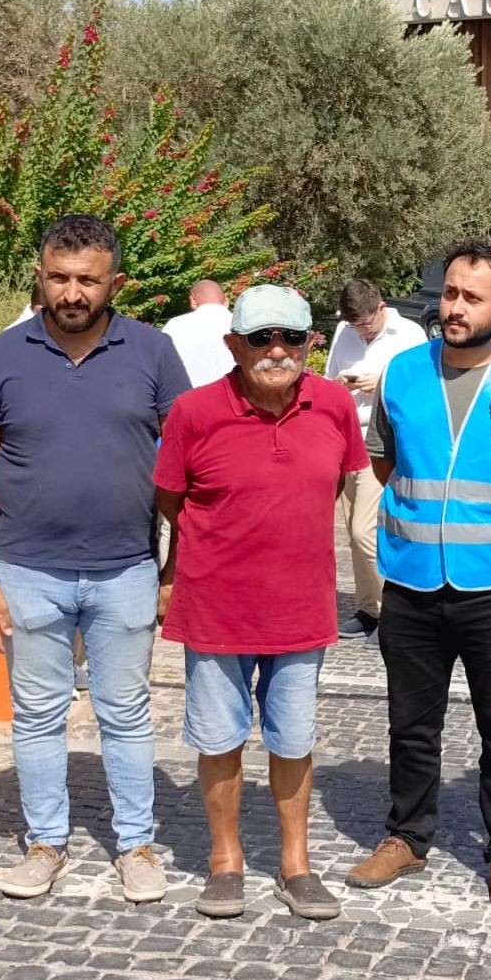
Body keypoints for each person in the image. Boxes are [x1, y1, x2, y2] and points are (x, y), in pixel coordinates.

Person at [0, 214, 190, 903]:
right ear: (40, 274)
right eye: (59, 277)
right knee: (35, 713)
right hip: (27, 569)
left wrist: (177, 569)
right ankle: (45, 842)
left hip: (125, 568)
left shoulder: (152, 353)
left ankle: (137, 845)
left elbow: (186, 467)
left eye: (88, 279)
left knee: (126, 711)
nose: (72, 292)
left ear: (115, 281)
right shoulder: (0, 357)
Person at [344, 241, 491, 910]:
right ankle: (407, 836)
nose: (455, 307)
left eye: (473, 296)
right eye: (450, 293)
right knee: (410, 723)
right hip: (411, 582)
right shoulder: (402, 373)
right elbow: (385, 463)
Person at [154, 284, 367, 922]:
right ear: (232, 344)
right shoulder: (193, 413)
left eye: (291, 338)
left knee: (293, 740)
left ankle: (295, 865)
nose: (277, 350)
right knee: (218, 740)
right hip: (216, 605)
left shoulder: (333, 406)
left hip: (302, 608)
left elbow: (332, 485)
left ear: (311, 343)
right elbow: (169, 498)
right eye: (260, 338)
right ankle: (225, 862)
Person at [326, 278, 428, 639]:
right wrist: (340, 383)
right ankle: (369, 609)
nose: (362, 332)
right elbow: (328, 378)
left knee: (363, 530)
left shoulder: (410, 334)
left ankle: (399, 606)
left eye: (366, 324)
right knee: (353, 532)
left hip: (380, 441)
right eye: (356, 326)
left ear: (381, 309)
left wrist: (381, 383)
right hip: (344, 437)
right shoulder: (343, 332)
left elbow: (424, 389)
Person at [161, 279, 235, 389]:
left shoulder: (175, 326)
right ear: (226, 301)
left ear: (192, 300)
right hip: (240, 401)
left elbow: (162, 369)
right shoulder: (243, 324)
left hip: (192, 400)